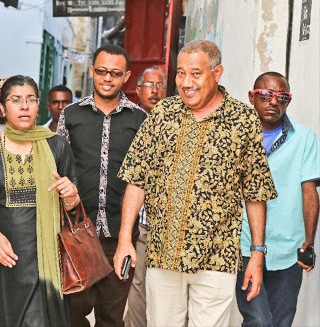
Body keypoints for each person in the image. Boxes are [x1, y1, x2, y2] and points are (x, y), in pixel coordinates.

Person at [114, 39, 277, 326]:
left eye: (196, 74)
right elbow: (136, 180)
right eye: (180, 73)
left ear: (217, 73)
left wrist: (257, 255)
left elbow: (255, 192)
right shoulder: (162, 115)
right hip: (163, 252)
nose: (186, 82)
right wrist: (125, 239)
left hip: (217, 257)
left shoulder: (243, 121)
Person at [0, 75, 79, 326]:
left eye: (31, 99)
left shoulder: (57, 146)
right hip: (3, 253)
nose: (24, 106)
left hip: (47, 257)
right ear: (2, 107)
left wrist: (71, 194)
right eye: (16, 100)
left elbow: (73, 204)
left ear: (39, 106)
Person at [57, 44, 147, 326]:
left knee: (111, 316)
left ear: (127, 76)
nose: (108, 78)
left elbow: (144, 179)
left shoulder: (140, 120)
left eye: (115, 73)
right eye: (102, 71)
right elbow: (58, 170)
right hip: (76, 234)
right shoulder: (71, 116)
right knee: (71, 312)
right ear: (93, 72)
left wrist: (128, 237)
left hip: (120, 238)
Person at [236, 72, 320, 327]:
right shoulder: (236, 137)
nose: (274, 102)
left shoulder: (305, 139)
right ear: (252, 97)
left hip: (288, 249)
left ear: (288, 101)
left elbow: (309, 193)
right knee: (258, 321)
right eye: (266, 95)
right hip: (244, 245)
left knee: (281, 322)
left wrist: (308, 242)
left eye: (282, 97)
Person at [124, 66, 167, 327]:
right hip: (136, 221)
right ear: (138, 90)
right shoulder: (128, 120)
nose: (155, 90)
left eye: (160, 85)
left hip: (162, 223)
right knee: (136, 288)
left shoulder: (175, 121)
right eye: (149, 85)